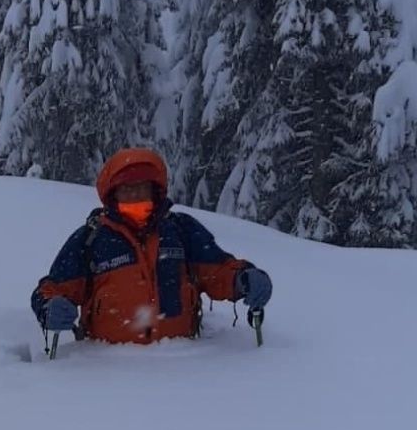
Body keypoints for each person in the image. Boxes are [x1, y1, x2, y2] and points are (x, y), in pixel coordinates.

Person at [31, 148, 272, 345]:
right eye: (127, 189)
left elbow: (218, 271)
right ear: (112, 194)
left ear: (155, 190)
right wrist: (49, 308)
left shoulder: (182, 231)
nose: (135, 195)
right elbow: (50, 289)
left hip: (185, 365)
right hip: (107, 368)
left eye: (141, 187)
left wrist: (243, 278)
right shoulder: (91, 238)